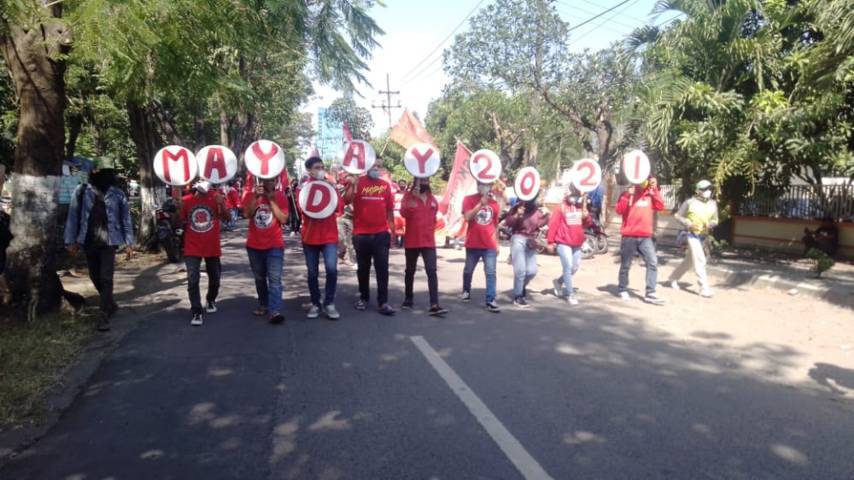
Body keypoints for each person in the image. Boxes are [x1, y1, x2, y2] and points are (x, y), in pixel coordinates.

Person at [65, 157, 134, 331]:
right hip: (88, 240)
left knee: (106, 277)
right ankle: (109, 302)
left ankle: (103, 314)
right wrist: (70, 241)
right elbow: (73, 218)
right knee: (94, 276)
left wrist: (129, 243)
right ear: (93, 172)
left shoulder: (118, 194)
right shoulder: (81, 191)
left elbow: (126, 219)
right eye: (100, 172)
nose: (104, 175)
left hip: (110, 241)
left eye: (107, 172)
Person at [344, 157, 395, 315]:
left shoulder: (385, 185)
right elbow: (347, 200)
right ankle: (364, 298)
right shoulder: (358, 182)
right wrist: (352, 184)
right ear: (367, 166)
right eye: (374, 166)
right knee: (363, 270)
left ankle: (383, 302)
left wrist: (392, 232)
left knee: (382, 270)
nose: (376, 169)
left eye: (379, 166)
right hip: (361, 235)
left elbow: (390, 211)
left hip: (381, 234)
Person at [177, 181, 229, 325]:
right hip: (192, 247)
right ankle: (196, 311)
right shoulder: (187, 200)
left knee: (215, 278)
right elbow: (178, 221)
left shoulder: (217, 197)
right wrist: (177, 208)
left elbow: (228, 218)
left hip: (212, 246)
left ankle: (210, 299)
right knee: (193, 279)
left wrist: (222, 205)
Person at [299, 157, 342, 320]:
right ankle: (316, 303)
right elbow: (302, 207)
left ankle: (329, 303)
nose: (321, 170)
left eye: (322, 167)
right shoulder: (303, 188)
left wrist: (333, 189)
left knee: (332, 270)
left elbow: (339, 208)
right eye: (317, 167)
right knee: (312, 273)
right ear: (309, 170)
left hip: (329, 236)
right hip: (310, 237)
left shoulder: (330, 186)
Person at [243, 177, 289, 324]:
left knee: (275, 280)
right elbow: (247, 214)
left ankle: (274, 310)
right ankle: (263, 303)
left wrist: (272, 201)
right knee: (260, 278)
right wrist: (256, 197)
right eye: (264, 180)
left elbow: (283, 219)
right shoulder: (251, 195)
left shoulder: (281, 196)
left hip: (274, 245)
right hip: (254, 246)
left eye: (271, 181)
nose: (268, 183)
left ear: (275, 182)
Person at [400, 177, 448, 316]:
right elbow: (404, 213)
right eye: (421, 180)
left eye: (426, 180)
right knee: (410, 271)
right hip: (412, 241)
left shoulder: (432, 199)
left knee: (431, 271)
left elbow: (433, 219)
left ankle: (434, 303)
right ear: (415, 182)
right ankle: (408, 299)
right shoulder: (407, 197)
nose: (424, 183)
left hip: (428, 242)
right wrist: (413, 199)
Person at [615, 176, 666, 304]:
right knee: (626, 264)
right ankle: (622, 288)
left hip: (645, 236)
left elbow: (660, 206)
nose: (645, 182)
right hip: (629, 235)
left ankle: (650, 292)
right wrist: (627, 195)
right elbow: (619, 210)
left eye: (647, 180)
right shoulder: (628, 193)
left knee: (652, 262)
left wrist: (655, 190)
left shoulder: (650, 194)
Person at [667, 180, 719, 297]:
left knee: (689, 261)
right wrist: (688, 223)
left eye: (710, 188)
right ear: (698, 191)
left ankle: (673, 278)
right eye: (705, 189)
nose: (708, 191)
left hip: (704, 237)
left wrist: (710, 224)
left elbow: (716, 220)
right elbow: (678, 216)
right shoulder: (689, 202)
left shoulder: (713, 204)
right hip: (692, 235)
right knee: (700, 260)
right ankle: (704, 288)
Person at [461, 181, 501, 313]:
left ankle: (490, 300)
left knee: (491, 273)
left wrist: (497, 243)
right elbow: (467, 217)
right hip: (473, 243)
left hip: (489, 245)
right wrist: (480, 204)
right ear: (477, 185)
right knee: (468, 270)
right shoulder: (469, 199)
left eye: (488, 184)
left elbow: (496, 225)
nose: (484, 187)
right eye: (482, 184)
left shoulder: (494, 204)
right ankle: (466, 289)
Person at [548, 186, 592, 305]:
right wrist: (550, 241)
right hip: (563, 242)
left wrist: (586, 216)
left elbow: (587, 224)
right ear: (567, 195)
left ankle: (558, 282)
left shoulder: (579, 207)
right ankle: (570, 294)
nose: (574, 197)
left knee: (575, 267)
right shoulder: (560, 208)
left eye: (576, 194)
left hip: (577, 242)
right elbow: (553, 225)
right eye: (572, 194)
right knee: (568, 266)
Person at [504, 197, 549, 307]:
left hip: (531, 241)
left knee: (532, 271)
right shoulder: (517, 207)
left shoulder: (536, 210)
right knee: (520, 270)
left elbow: (540, 224)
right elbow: (508, 223)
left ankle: (520, 286)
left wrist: (547, 215)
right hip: (518, 238)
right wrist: (517, 214)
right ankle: (518, 296)